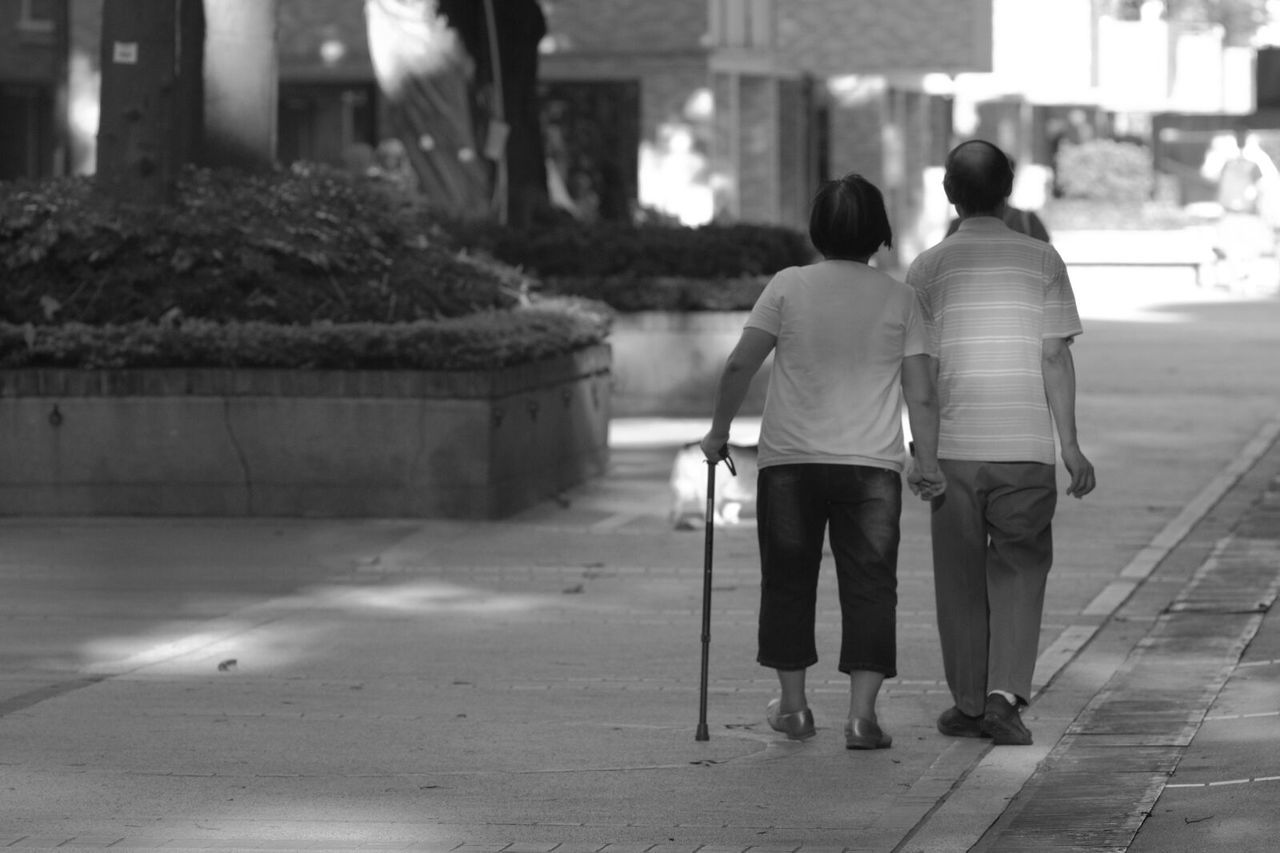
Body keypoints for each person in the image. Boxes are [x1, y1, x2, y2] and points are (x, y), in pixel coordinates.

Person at [700, 173, 944, 750]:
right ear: (879, 234)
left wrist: (718, 433)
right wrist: (926, 462)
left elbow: (740, 365)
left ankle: (794, 708)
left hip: (790, 463)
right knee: (871, 587)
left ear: (816, 231)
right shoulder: (901, 298)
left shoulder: (787, 286)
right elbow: (922, 392)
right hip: (872, 468)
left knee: (788, 581)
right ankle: (862, 718)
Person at [907, 139, 1096, 747]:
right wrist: (1069, 445)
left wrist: (923, 452)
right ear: (1009, 189)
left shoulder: (928, 268)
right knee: (1020, 569)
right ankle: (1002, 699)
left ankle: (967, 703)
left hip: (956, 452)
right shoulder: (1043, 260)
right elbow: (1054, 356)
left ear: (948, 192)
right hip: (1025, 450)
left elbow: (921, 372)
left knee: (959, 578)